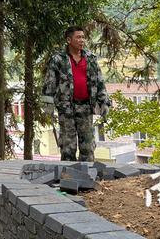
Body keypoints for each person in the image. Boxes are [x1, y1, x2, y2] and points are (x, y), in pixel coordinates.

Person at [40, 25, 110, 162]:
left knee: (88, 146)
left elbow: (99, 82)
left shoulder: (91, 58)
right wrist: (47, 104)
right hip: (66, 108)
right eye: (78, 37)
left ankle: (88, 178)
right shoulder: (58, 59)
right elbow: (49, 83)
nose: (82, 40)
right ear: (68, 40)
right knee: (68, 147)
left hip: (86, 108)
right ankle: (68, 179)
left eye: (83, 37)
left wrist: (104, 102)